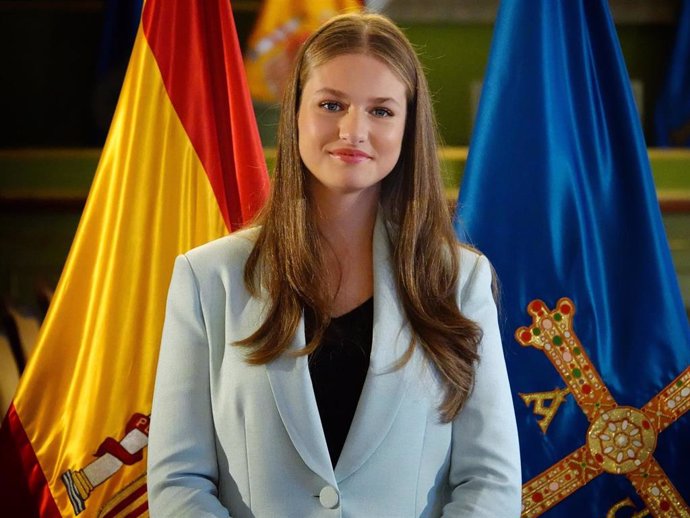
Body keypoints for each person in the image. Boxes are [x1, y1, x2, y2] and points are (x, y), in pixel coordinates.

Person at [147, 12, 521, 518]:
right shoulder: (208, 278)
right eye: (331, 104)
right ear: (296, 113)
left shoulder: (459, 281)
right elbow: (178, 480)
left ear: (409, 128)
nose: (354, 130)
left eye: (382, 111)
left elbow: (490, 481)